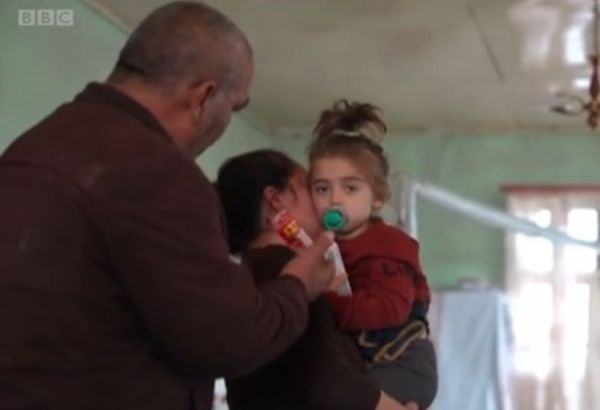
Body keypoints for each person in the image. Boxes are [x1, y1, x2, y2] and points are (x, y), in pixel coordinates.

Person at [0, 2, 337, 409]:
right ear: (204, 97)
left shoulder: (29, 150)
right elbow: (228, 338)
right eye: (233, 108)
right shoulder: (159, 173)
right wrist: (298, 287)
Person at [214, 149, 419, 410]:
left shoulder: (243, 278)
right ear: (276, 200)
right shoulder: (291, 274)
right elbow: (330, 382)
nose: (328, 203)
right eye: (314, 188)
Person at [307, 100, 438, 409]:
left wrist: (331, 301)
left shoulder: (388, 246)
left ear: (377, 198)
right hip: (368, 360)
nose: (334, 199)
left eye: (350, 188)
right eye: (322, 189)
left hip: (403, 360)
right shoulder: (323, 244)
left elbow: (390, 308)